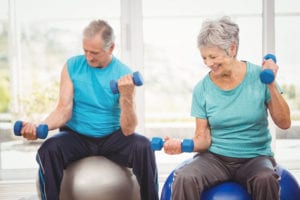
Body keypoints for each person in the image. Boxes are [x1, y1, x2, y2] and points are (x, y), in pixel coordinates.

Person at [18, 19, 158, 200]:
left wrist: (127, 96)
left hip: (113, 137)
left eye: (94, 53)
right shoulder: (72, 66)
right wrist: (39, 127)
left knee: (144, 147)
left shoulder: (124, 73)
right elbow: (63, 109)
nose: (88, 57)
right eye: (85, 51)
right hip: (76, 136)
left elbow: (128, 129)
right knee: (48, 149)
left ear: (111, 48)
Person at [163, 16, 291, 200]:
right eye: (204, 57)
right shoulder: (203, 89)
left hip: (255, 157)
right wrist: (181, 145)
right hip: (215, 158)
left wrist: (271, 84)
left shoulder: (259, 76)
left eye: (213, 57)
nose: (208, 63)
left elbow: (284, 123)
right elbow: (203, 139)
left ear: (232, 48)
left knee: (266, 178)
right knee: (185, 177)